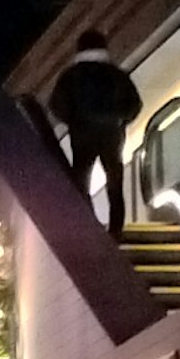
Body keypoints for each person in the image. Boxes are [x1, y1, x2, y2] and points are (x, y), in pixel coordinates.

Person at [49, 46, 144, 233]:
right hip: (112, 134)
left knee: (81, 181)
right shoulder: (116, 74)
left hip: (83, 134)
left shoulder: (71, 75)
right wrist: (120, 120)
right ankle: (116, 231)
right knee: (114, 184)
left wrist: (74, 120)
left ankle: (89, 225)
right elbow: (135, 104)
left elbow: (56, 105)